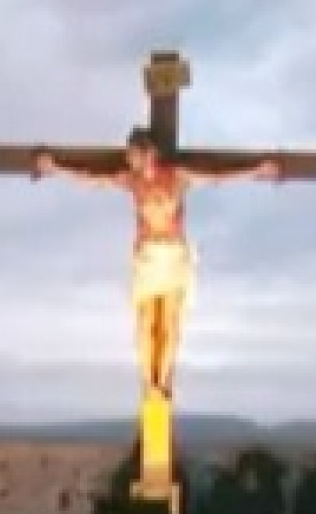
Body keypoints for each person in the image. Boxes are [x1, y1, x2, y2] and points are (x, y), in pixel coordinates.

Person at [34, 127, 282, 401]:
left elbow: (216, 178)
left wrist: (257, 170)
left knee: (170, 324)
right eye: (129, 155)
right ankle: (150, 382)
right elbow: (94, 180)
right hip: (147, 257)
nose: (130, 160)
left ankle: (162, 382)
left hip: (174, 255)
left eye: (134, 154)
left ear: (149, 152)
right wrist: (55, 168)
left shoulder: (176, 176)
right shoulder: (132, 180)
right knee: (145, 323)